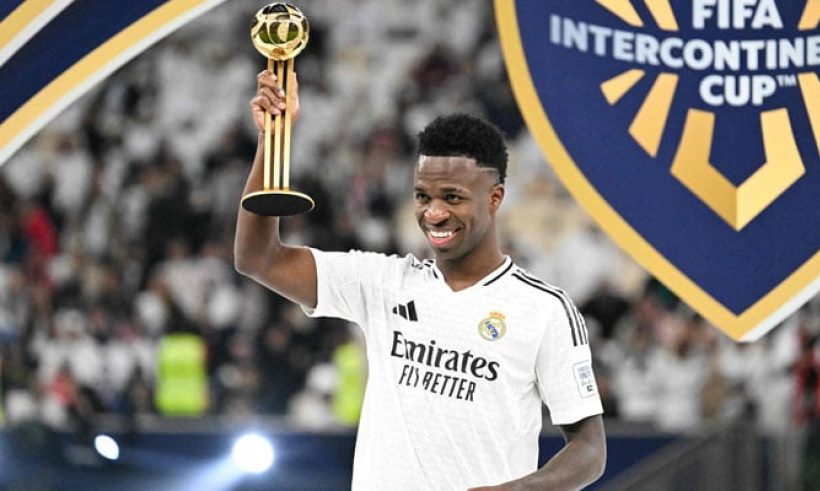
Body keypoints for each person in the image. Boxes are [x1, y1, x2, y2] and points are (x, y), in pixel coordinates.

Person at [235, 69, 606, 490]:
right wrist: (272, 142)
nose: (433, 213)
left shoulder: (544, 309)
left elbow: (590, 448)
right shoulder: (382, 282)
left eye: (453, 197)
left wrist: (522, 489)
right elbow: (258, 258)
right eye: (422, 196)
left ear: (495, 197)